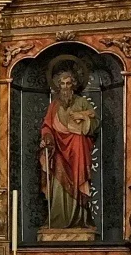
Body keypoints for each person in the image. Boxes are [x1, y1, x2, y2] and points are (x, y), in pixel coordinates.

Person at [39, 66, 98, 230]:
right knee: (58, 183)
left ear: (73, 84)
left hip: (78, 151)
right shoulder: (54, 106)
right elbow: (47, 126)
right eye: (62, 84)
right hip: (58, 150)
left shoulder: (82, 102)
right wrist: (48, 138)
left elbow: (95, 123)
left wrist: (83, 121)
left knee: (79, 181)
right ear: (58, 86)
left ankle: (80, 219)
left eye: (68, 83)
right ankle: (57, 220)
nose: (65, 87)